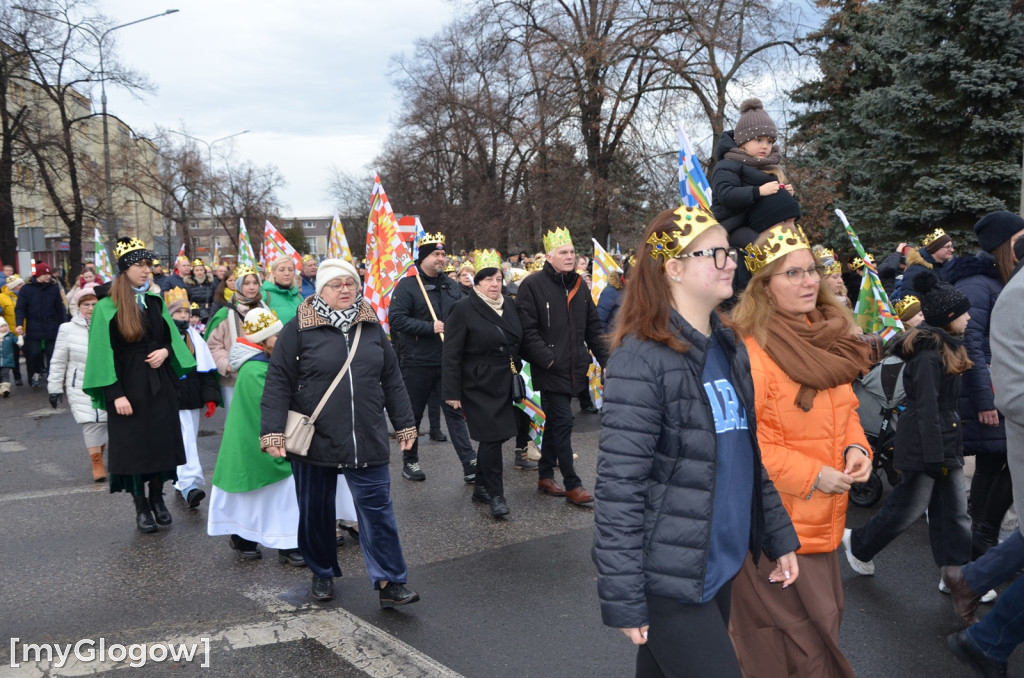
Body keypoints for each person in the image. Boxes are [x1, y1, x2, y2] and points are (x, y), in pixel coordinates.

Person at [593, 206, 800, 678]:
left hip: (716, 562)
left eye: (730, 252)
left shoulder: (728, 347)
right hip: (669, 575)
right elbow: (620, 487)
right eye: (716, 253)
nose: (731, 262)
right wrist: (625, 595)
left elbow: (746, 457)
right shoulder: (641, 360)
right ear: (674, 268)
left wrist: (778, 535)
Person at [727, 222, 874, 678]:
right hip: (778, 526)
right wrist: (812, 474)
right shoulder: (750, 350)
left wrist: (856, 445)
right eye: (792, 274)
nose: (810, 281)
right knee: (796, 644)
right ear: (765, 288)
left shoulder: (828, 335)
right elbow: (745, 443)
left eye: (811, 270)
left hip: (825, 517)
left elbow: (845, 406)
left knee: (822, 627)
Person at [261, 258, 420, 606]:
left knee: (377, 511)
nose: (345, 289)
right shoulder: (298, 329)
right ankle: (322, 572)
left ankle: (390, 581)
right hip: (315, 437)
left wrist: (405, 422)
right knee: (316, 510)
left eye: (350, 283)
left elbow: (392, 379)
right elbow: (277, 383)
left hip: (366, 435)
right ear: (321, 290)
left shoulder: (372, 325)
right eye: (336, 284)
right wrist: (272, 432)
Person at [843, 272, 975, 598]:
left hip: (942, 442)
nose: (969, 317)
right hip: (924, 445)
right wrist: (934, 457)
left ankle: (955, 574)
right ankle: (858, 544)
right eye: (963, 312)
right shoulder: (930, 356)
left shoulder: (949, 346)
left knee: (954, 512)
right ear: (948, 318)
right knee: (905, 511)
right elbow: (928, 410)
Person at [944, 234, 1024, 675]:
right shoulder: (1011, 293)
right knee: (983, 495)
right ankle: (987, 639)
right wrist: (985, 404)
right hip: (1000, 420)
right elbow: (986, 360)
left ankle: (972, 581)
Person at [208, 307, 343, 566]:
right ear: (262, 341)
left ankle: (270, 539)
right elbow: (275, 402)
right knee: (271, 492)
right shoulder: (254, 369)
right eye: (276, 336)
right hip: (256, 439)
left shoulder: (271, 361)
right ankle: (274, 541)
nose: (282, 338)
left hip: (267, 436)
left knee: (274, 494)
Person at [82, 238, 195, 533]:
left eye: (149, 265)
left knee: (160, 444)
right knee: (134, 449)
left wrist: (166, 352)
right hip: (128, 387)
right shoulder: (107, 307)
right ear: (125, 269)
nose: (148, 271)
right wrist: (115, 394)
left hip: (160, 384)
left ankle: (158, 499)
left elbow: (171, 339)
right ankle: (140, 505)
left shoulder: (155, 301)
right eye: (141, 266)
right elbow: (100, 355)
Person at [945, 211, 1024, 558]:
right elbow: (970, 344)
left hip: (995, 386)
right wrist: (985, 401)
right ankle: (982, 537)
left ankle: (980, 540)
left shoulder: (998, 280)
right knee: (1002, 461)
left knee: (995, 462)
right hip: (989, 389)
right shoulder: (979, 284)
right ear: (1006, 243)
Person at [516, 227, 609, 506]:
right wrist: (548, 358)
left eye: (572, 252)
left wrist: (608, 361)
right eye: (564, 253)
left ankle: (545, 475)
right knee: (564, 422)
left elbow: (593, 328)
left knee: (558, 423)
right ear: (549, 256)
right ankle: (572, 483)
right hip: (550, 368)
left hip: (575, 367)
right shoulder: (532, 285)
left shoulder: (580, 287)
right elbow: (527, 330)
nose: (570, 257)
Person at [442, 249, 526, 517]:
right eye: (488, 279)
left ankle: (481, 487)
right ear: (476, 282)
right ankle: (496, 496)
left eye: (498, 279)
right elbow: (451, 353)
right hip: (477, 383)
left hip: (505, 378)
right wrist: (452, 391)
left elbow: (517, 340)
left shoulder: (509, 304)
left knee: (498, 436)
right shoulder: (463, 308)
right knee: (492, 438)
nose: (494, 284)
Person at [389, 232, 477, 483]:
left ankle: (469, 462)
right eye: (436, 254)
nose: (442, 258)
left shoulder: (450, 286)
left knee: (454, 411)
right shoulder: (408, 286)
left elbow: (464, 313)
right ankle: (410, 461)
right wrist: (430, 327)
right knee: (413, 415)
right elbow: (396, 320)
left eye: (443, 254)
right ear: (423, 258)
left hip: (448, 361)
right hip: (417, 361)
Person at [711, 98, 795, 250]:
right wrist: (758, 191)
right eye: (758, 140)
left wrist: (788, 195)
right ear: (743, 141)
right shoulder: (726, 165)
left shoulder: (772, 168)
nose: (765, 146)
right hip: (731, 227)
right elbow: (726, 194)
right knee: (762, 249)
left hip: (763, 224)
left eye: (769, 141)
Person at [164, 287, 220, 510]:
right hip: (172, 399)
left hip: (192, 397)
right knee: (183, 440)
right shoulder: (164, 338)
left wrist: (210, 397)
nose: (184, 317)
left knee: (188, 439)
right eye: (179, 313)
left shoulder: (194, 337)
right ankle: (189, 484)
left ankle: (181, 481)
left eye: (187, 313)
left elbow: (205, 370)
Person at [47, 283, 108, 481]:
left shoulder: (109, 324)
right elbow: (58, 360)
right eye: (86, 305)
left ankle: (99, 453)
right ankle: (97, 463)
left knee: (105, 422)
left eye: (93, 304)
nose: (90, 309)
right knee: (90, 422)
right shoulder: (67, 329)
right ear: (78, 307)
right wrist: (54, 387)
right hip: (80, 384)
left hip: (106, 382)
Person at [205, 265, 268, 410]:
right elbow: (213, 345)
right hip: (233, 379)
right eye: (246, 283)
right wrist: (227, 364)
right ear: (239, 286)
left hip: (261, 375)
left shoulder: (266, 311)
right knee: (236, 421)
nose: (251, 287)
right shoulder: (225, 314)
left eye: (255, 283)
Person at [14, 262, 66, 387]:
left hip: (52, 326)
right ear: (38, 275)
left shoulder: (53, 288)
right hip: (34, 326)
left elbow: (60, 308)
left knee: (52, 354)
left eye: (49, 274)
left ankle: (51, 377)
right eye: (46, 274)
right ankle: (37, 371)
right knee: (34, 353)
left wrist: (64, 324)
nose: (49, 277)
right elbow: (20, 308)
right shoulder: (26, 289)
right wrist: (19, 324)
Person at [895, 227, 956, 299]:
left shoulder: (944, 268)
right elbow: (910, 301)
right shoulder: (916, 271)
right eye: (948, 247)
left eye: (951, 246)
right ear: (936, 249)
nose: (952, 250)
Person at [262, 256, 302, 324]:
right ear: (273, 273)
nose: (287, 273)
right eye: (282, 270)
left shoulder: (299, 297)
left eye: (290, 270)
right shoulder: (265, 295)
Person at [0, 274, 22, 386]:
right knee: (13, 355)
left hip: (23, 330)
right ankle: (16, 377)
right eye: (19, 284)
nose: (22, 286)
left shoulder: (22, 296)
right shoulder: (2, 298)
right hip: (9, 332)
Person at [185, 258, 216, 323]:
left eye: (201, 270)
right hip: (194, 315)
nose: (199, 272)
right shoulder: (188, 285)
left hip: (209, 312)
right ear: (193, 271)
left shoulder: (211, 283)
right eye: (197, 270)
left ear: (204, 270)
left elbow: (215, 300)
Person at [0, 317, 21, 396]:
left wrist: (20, 336)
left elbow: (18, 342)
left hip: (7, 359)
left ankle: (5, 389)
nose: (4, 328)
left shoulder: (10, 336)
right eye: (1, 326)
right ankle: (2, 388)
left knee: (5, 374)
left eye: (5, 326)